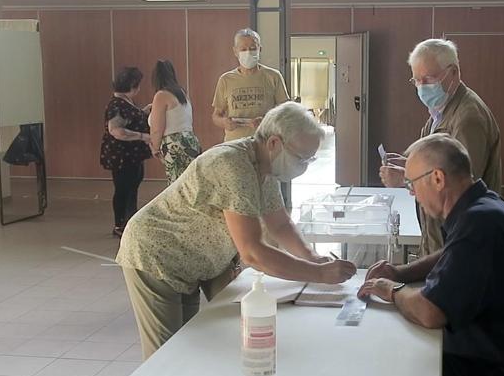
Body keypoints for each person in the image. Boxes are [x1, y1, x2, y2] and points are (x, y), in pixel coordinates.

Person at [117, 101, 356, 359]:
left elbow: (280, 224)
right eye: (302, 158)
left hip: (194, 260)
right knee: (164, 358)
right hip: (157, 253)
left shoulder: (264, 168)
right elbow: (252, 252)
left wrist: (311, 256)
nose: (305, 166)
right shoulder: (232, 166)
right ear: (274, 143)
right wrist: (318, 274)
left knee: (186, 344)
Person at [359, 134, 504, 376]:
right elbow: (452, 253)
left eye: (412, 184)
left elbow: (430, 312)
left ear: (437, 179)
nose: (411, 193)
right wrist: (401, 271)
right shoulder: (485, 205)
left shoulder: (480, 223)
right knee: (407, 356)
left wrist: (391, 289)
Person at [380, 38, 501, 256]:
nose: (422, 87)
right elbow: (440, 163)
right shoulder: (440, 112)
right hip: (441, 239)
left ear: (453, 73)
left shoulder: (468, 118)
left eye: (429, 78)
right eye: (417, 80)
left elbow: (460, 188)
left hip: (464, 240)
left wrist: (406, 180)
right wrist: (410, 166)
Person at [100, 67, 152, 238]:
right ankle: (120, 224)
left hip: (132, 155)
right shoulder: (116, 104)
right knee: (123, 189)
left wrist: (144, 111)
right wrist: (144, 136)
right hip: (122, 156)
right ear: (132, 85)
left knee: (132, 188)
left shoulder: (126, 101)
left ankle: (129, 222)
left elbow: (131, 118)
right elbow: (117, 130)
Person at [212, 28, 290, 142]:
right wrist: (224, 122)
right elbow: (216, 115)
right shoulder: (226, 80)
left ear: (260, 49)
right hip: (235, 144)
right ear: (235, 51)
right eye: (243, 49)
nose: (248, 52)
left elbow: (286, 111)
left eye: (253, 48)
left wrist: (266, 120)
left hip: (265, 142)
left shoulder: (273, 76)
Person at [148, 60, 201, 184]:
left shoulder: (161, 95)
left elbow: (157, 129)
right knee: (191, 183)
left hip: (174, 144)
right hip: (190, 140)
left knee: (177, 186)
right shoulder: (181, 92)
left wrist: (155, 148)